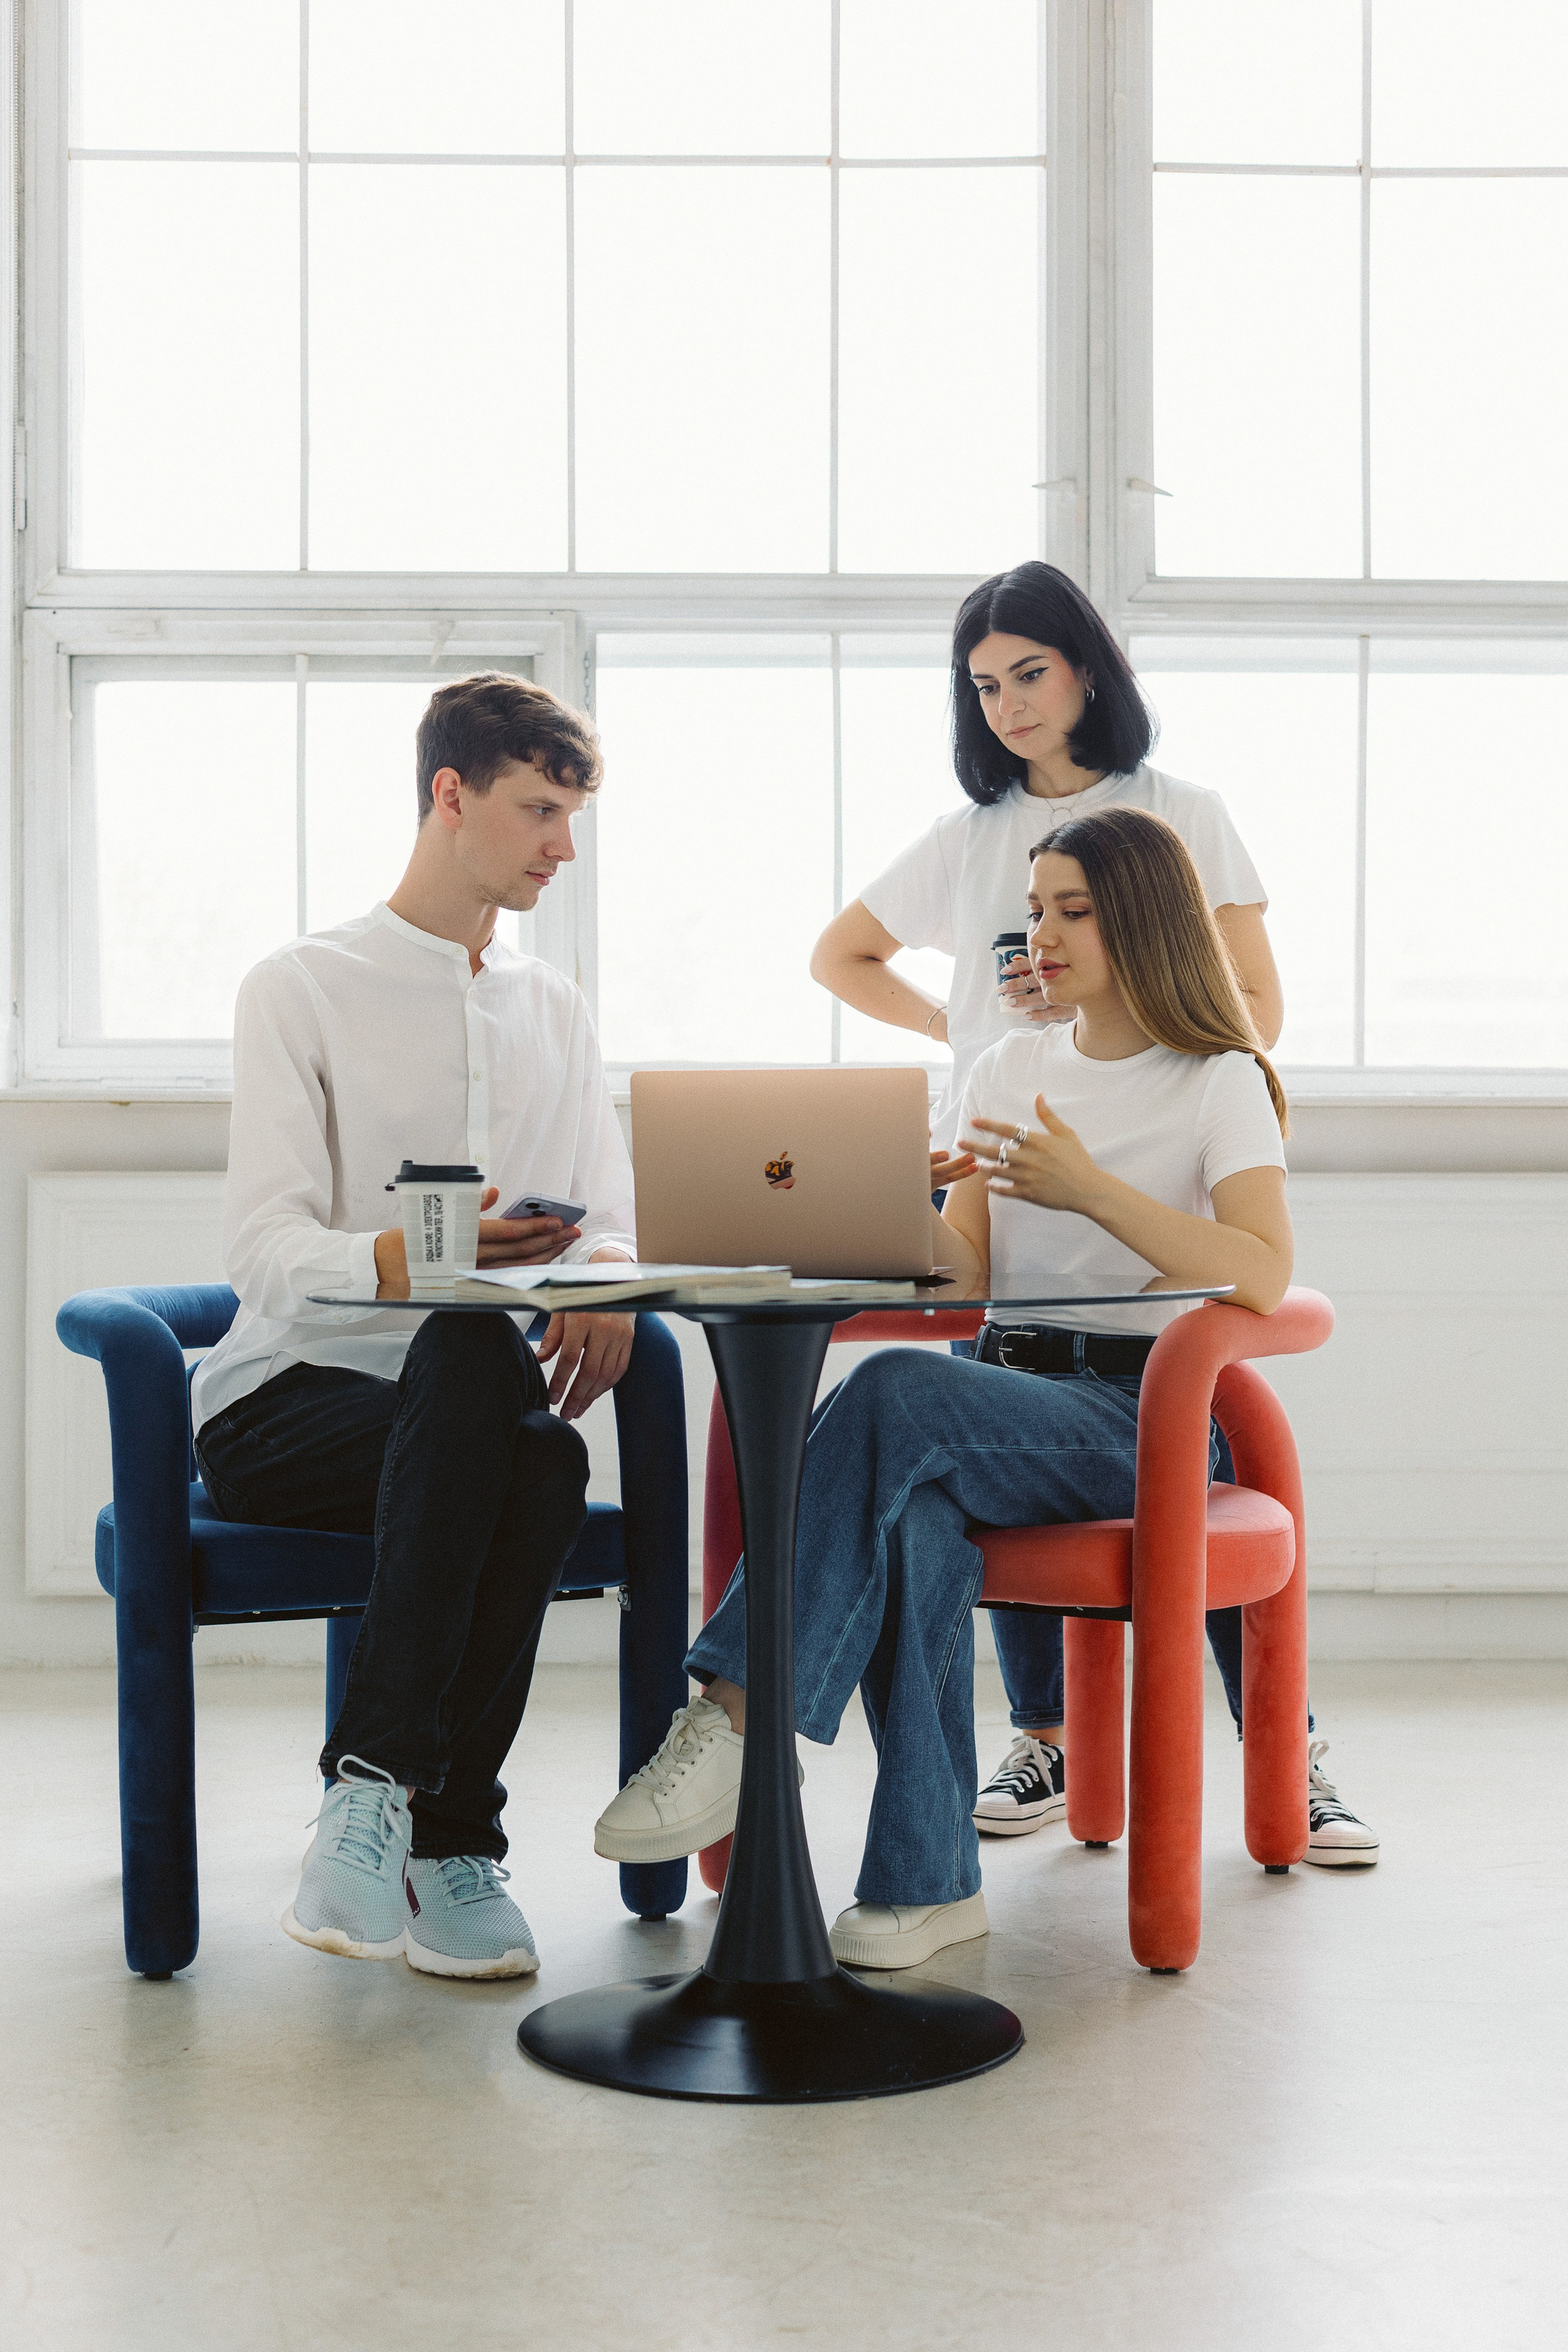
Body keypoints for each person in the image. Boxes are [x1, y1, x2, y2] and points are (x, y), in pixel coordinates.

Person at [598, 809, 1344, 1966]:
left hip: (1135, 1419)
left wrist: (1091, 1190)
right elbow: (974, 1275)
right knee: (918, 1530)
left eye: (1072, 911)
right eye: (1033, 910)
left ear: (1142, 921)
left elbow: (1262, 1266)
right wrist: (900, 1203)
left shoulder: (1220, 1078)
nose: (1039, 935)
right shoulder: (1007, 1065)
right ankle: (927, 1883)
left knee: (895, 1392)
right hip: (999, 1402)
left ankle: (737, 1714)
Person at [810, 561, 1374, 1867]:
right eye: (982, 685)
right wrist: (976, 1036)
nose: (1006, 704)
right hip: (1012, 1176)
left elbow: (1244, 1015)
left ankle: (1287, 1753)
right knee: (976, 1380)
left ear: (1086, 670)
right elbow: (843, 957)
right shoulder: (972, 852)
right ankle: (1036, 1738)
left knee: (1030, 1401)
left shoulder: (1178, 825)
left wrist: (1128, 1069)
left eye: (1028, 672)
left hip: (1141, 1230)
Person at [191, 672, 638, 1982]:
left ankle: (396, 1813)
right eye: (538, 810)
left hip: (469, 1417)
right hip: (287, 1406)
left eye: (571, 816)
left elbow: (607, 1214)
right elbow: (261, 1254)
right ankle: (439, 1827)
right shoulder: (301, 987)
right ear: (451, 796)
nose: (563, 845)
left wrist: (603, 1279)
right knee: (468, 1354)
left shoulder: (553, 1009)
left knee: (529, 1438)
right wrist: (402, 1263)